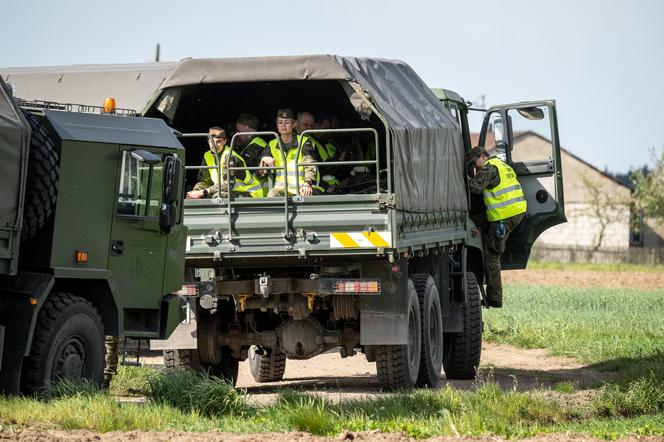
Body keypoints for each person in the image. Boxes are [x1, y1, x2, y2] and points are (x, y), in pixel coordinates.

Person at [466, 147, 527, 308]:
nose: (475, 167)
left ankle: (494, 298)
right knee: (474, 220)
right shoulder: (502, 164)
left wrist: (465, 179)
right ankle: (478, 230)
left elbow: (475, 188)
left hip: (503, 216)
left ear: (482, 156)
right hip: (514, 212)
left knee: (492, 255)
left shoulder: (489, 167)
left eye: (474, 163)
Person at [186, 126, 262, 199]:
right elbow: (204, 180)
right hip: (229, 191)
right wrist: (195, 192)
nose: (214, 145)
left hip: (250, 193)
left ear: (225, 141)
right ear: (208, 141)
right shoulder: (207, 155)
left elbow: (229, 183)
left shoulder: (230, 156)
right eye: (211, 142)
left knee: (218, 196)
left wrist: (204, 192)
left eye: (218, 142)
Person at [259, 109, 321, 197]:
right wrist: (264, 158)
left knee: (307, 194)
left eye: (287, 122)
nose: (283, 125)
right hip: (281, 190)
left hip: (301, 188)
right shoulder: (272, 144)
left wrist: (307, 183)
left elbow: (309, 164)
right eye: (280, 122)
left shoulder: (303, 141)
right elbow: (260, 172)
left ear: (294, 124)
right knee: (272, 194)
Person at [296, 111, 339, 192]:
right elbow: (320, 169)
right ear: (295, 124)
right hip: (301, 189)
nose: (309, 129)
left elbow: (316, 170)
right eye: (305, 125)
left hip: (311, 187)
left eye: (310, 126)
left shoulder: (311, 141)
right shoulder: (290, 142)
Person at [235, 113, 269, 196]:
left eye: (238, 131)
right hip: (252, 192)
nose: (236, 134)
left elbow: (243, 169)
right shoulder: (250, 145)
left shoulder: (257, 146)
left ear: (246, 129)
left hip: (256, 194)